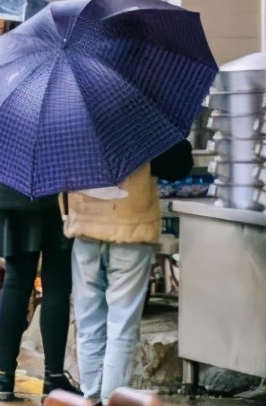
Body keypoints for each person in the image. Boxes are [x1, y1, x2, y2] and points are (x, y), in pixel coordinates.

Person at [0, 12, 79, 403]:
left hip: (12, 195)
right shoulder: (71, 80)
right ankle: (53, 378)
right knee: (56, 287)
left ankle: (4, 377)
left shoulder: (4, 71)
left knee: (17, 285)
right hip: (55, 199)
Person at [63, 141, 194, 404]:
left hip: (84, 228)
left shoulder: (68, 117)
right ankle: (112, 399)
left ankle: (91, 399)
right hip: (130, 230)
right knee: (121, 325)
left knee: (89, 325)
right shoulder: (142, 119)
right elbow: (178, 166)